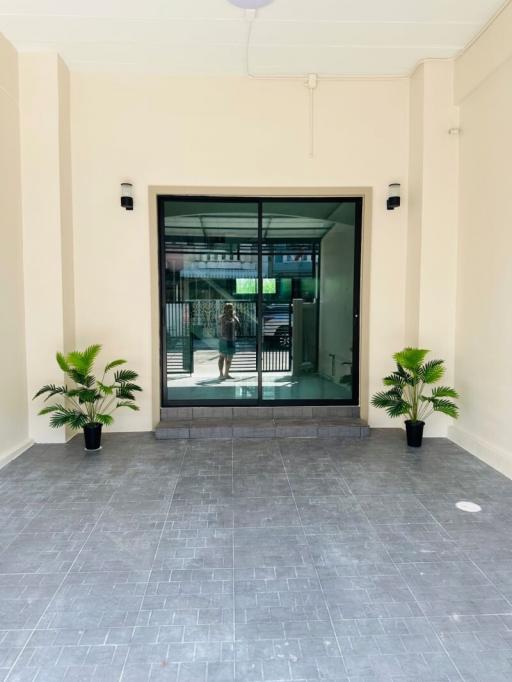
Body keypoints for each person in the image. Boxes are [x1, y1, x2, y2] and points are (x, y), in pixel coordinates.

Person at [218, 303, 239, 380]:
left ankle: (226, 374)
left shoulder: (234, 318)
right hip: (223, 340)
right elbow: (220, 324)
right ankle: (221, 374)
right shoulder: (222, 317)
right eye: (228, 308)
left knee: (229, 358)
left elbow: (238, 326)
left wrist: (234, 317)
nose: (229, 310)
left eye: (231, 308)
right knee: (222, 357)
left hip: (231, 340)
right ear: (225, 309)